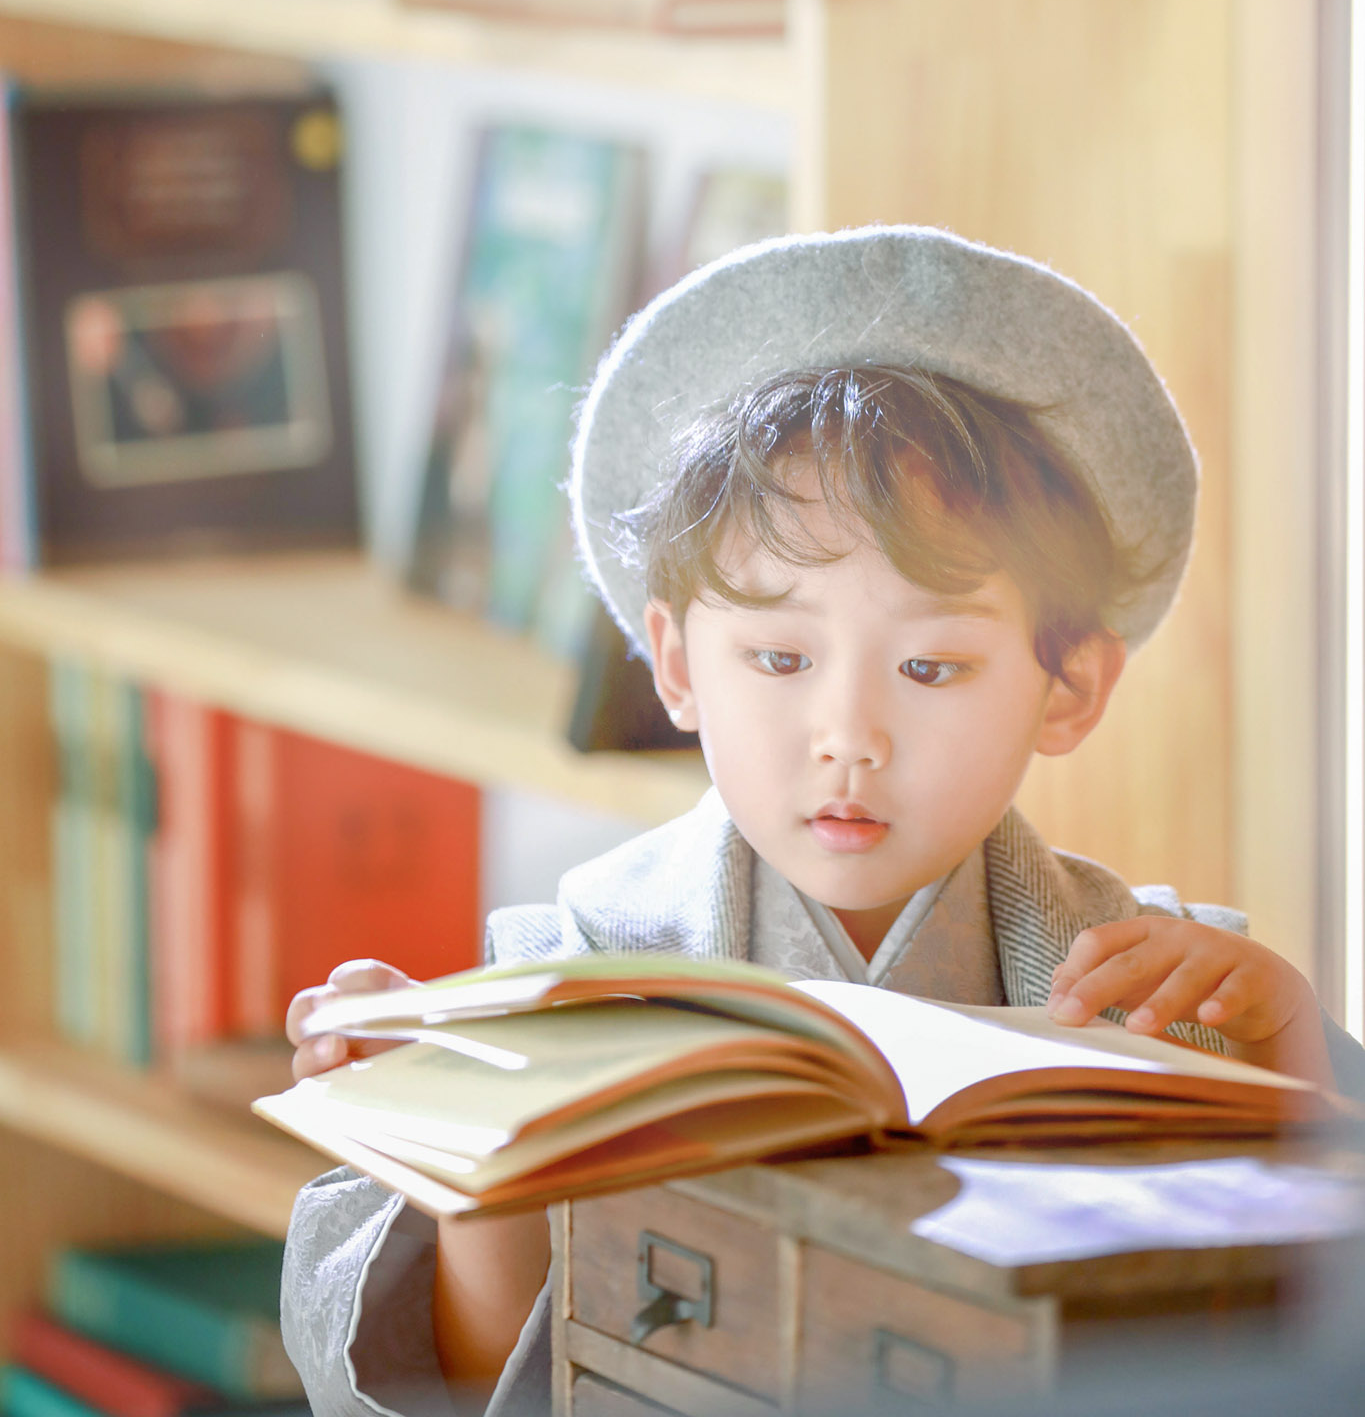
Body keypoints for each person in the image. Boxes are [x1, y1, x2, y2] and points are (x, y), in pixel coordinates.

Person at [280, 226, 1365, 1417]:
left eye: (934, 666)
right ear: (676, 664)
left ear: (1071, 687)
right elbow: (484, 1388)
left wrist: (1289, 1051)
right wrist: (464, 1152)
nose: (848, 733)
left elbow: (1290, 1324)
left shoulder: (1162, 990)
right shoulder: (565, 977)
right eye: (782, 654)